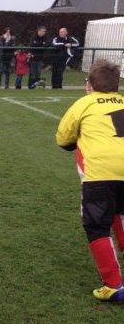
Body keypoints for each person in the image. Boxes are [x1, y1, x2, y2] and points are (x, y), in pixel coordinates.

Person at [56, 60, 124, 303]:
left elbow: (63, 139)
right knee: (120, 216)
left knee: (97, 226)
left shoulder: (84, 103)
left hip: (100, 173)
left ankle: (114, 285)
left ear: (90, 85)